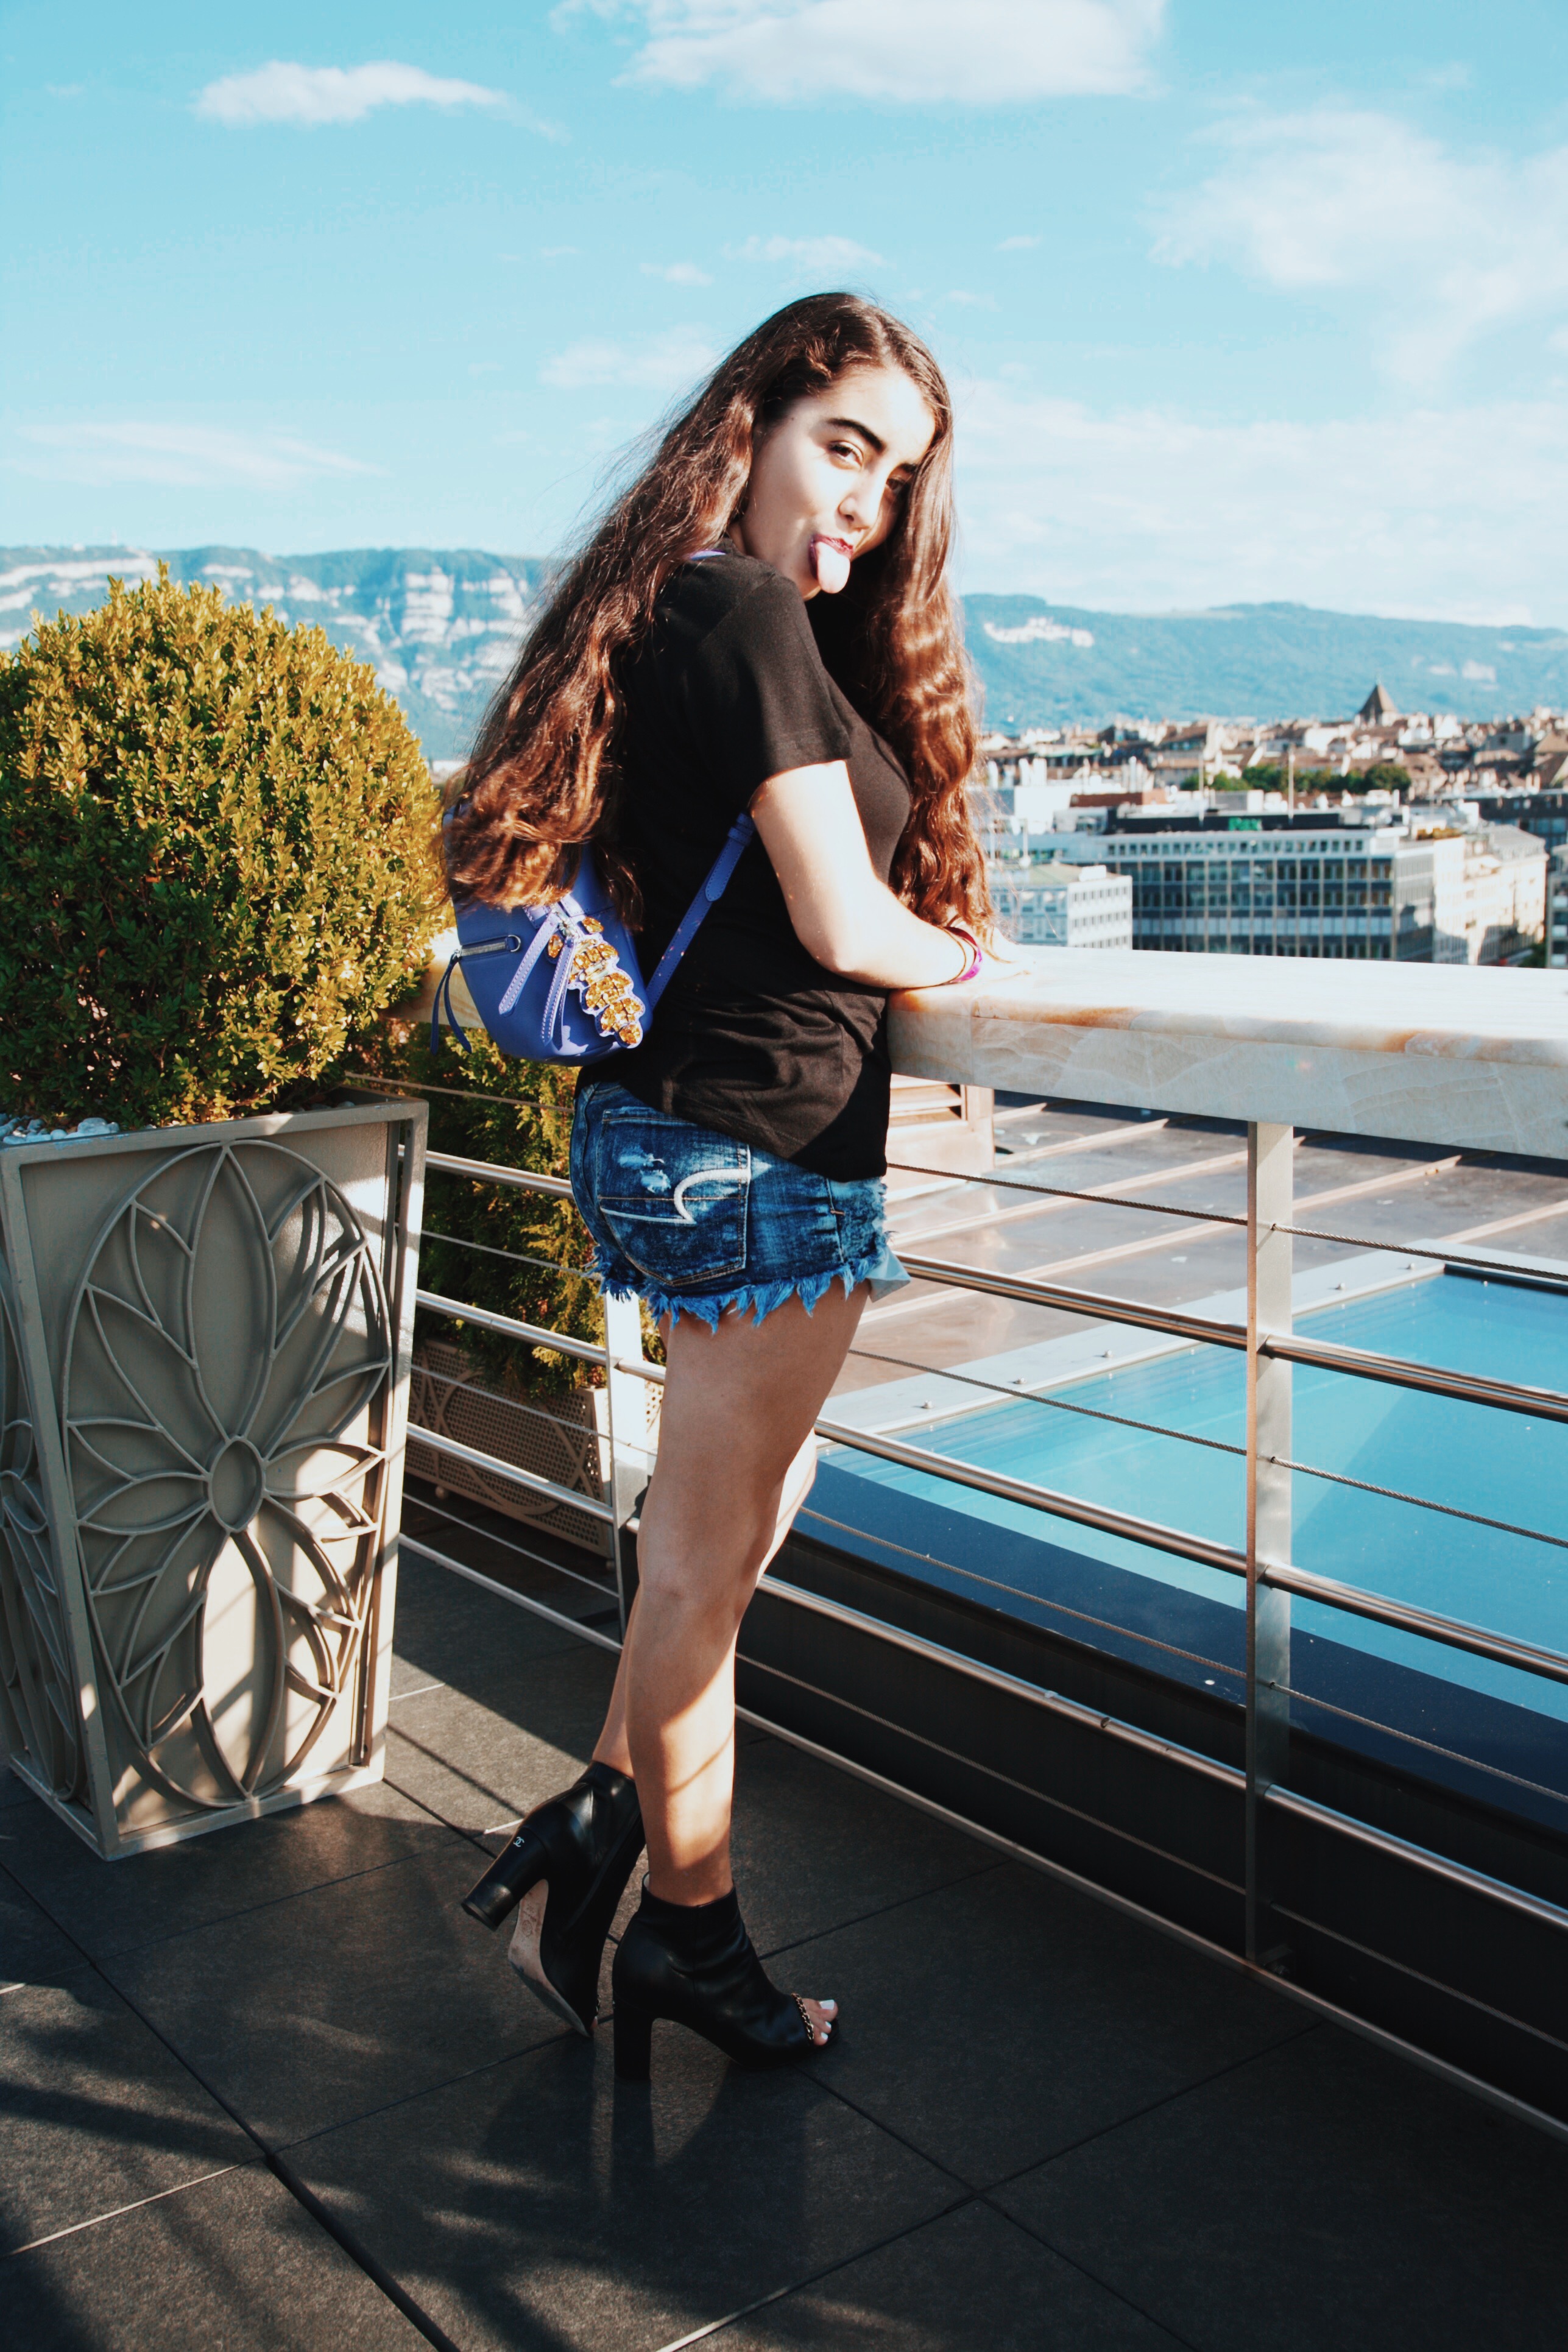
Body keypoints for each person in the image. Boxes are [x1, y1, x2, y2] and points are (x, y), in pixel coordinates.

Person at [448, 292, 995, 2081]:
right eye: (844, 447)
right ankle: (694, 1940)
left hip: (687, 1132)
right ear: (752, 420)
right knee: (700, 1576)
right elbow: (843, 922)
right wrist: (964, 961)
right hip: (756, 1147)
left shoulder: (674, 605)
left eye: (895, 479)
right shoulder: (742, 607)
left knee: (734, 1531)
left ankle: (587, 1843)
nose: (865, 505)